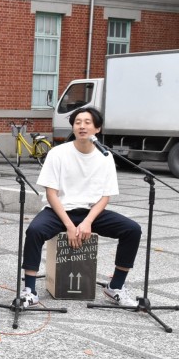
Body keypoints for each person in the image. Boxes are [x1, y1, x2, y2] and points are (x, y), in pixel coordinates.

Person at [21, 107, 141, 307]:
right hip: (59, 211)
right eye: (78, 122)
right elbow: (51, 193)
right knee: (34, 231)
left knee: (132, 230)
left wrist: (88, 221)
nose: (82, 126)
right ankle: (29, 291)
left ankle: (116, 287)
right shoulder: (58, 153)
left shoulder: (105, 156)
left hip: (90, 212)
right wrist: (69, 225)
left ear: (97, 128)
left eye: (87, 122)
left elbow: (105, 196)